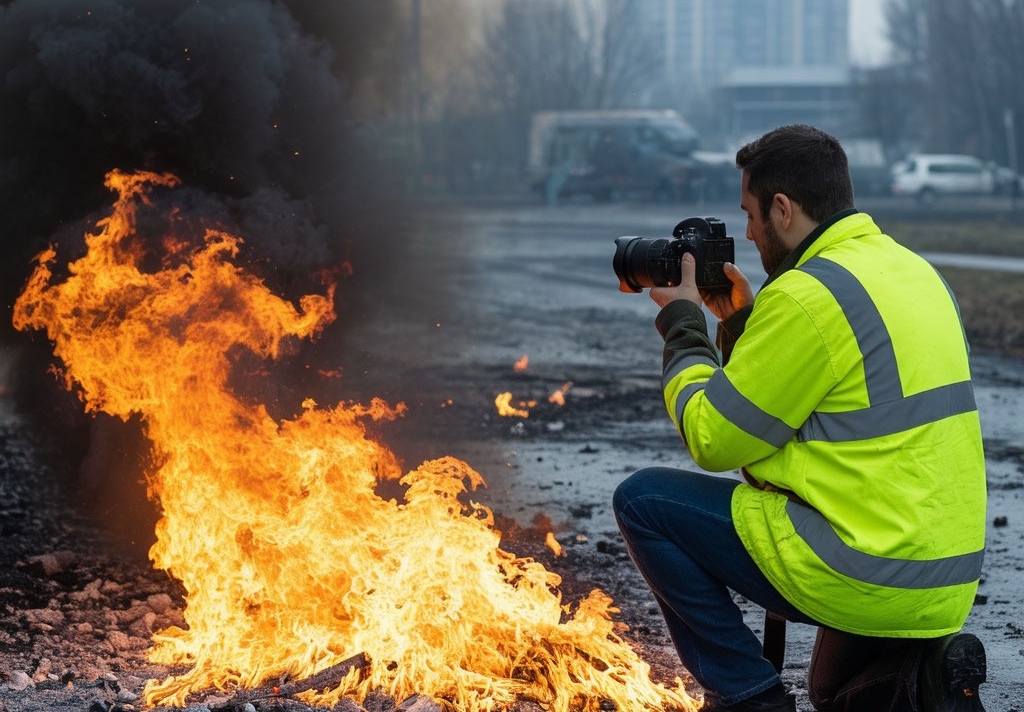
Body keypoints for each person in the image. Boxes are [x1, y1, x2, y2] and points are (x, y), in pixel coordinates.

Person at [612, 124, 988, 712]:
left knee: (644, 502)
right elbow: (798, 408)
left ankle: (748, 696)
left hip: (863, 568)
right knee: (830, 695)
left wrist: (685, 326)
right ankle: (926, 679)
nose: (748, 233)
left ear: (782, 209)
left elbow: (714, 438)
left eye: (751, 215)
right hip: (940, 581)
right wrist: (740, 326)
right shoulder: (913, 271)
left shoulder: (809, 296)